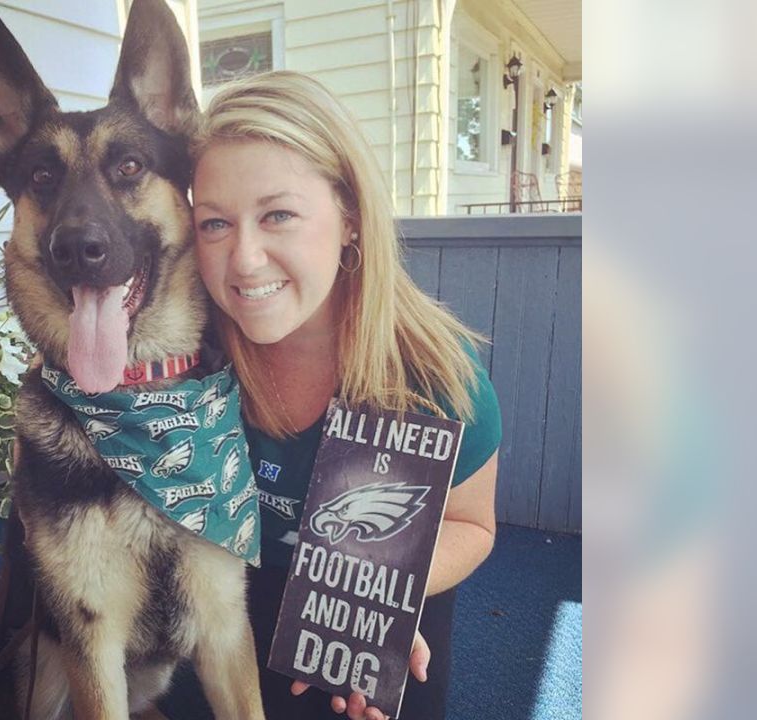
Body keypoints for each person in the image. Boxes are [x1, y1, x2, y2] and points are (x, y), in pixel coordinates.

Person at [157, 70, 502, 720]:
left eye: (278, 215)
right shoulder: (188, 361)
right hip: (229, 617)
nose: (245, 258)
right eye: (214, 224)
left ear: (349, 216)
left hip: (373, 619)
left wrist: (377, 602)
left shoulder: (431, 375)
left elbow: (472, 524)